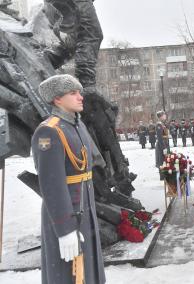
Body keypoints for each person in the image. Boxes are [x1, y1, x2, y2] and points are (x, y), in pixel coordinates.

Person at [31, 74, 105, 284]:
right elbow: (51, 184)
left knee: (88, 272)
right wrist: (64, 230)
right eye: (73, 93)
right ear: (57, 99)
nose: (80, 97)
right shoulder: (49, 131)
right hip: (67, 214)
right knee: (68, 275)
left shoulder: (77, 125)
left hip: (85, 209)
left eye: (79, 92)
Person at [155, 111, 170, 178]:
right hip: (162, 145)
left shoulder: (163, 124)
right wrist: (163, 148)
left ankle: (165, 175)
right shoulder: (159, 125)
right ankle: (162, 176)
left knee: (165, 159)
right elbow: (160, 137)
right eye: (164, 115)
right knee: (161, 160)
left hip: (165, 143)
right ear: (161, 116)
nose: (165, 116)